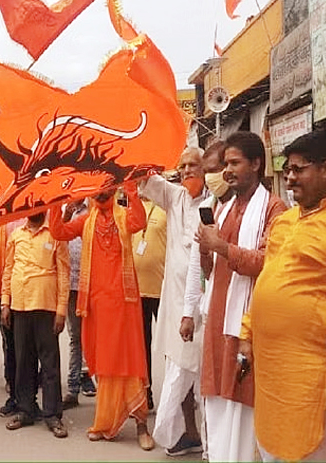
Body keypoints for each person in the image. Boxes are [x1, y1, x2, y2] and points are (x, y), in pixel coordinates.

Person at [238, 130, 326, 462]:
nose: (289, 179)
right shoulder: (285, 221)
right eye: (286, 170)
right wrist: (247, 333)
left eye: (298, 169)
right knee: (272, 445)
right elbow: (267, 277)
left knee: (309, 446)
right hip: (270, 368)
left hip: (311, 368)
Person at [195, 132, 287, 462]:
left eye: (234, 163)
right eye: (225, 165)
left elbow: (268, 262)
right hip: (218, 320)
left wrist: (221, 246)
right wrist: (207, 250)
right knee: (219, 406)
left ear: (256, 164)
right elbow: (211, 271)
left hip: (248, 327)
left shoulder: (275, 209)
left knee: (248, 407)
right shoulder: (223, 208)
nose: (227, 171)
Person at [50, 184, 155, 450]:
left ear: (114, 189)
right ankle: (106, 422)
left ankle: (141, 424)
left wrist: (131, 191)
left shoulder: (123, 214)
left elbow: (139, 220)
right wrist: (60, 206)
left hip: (125, 301)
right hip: (97, 303)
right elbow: (58, 232)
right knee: (106, 362)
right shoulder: (86, 219)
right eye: (96, 189)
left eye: (106, 188)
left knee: (130, 359)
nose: (100, 194)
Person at [140, 147, 208, 456]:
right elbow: (146, 178)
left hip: (203, 306)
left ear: (206, 168)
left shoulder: (216, 204)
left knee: (202, 375)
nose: (186, 170)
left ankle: (207, 441)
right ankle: (187, 434)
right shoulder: (175, 197)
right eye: (182, 166)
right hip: (174, 304)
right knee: (177, 367)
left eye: (193, 164)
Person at [178, 141, 236, 458]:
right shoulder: (211, 210)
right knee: (209, 388)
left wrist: (222, 248)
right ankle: (211, 448)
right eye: (213, 169)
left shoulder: (263, 208)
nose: (218, 175)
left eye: (219, 169)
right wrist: (189, 312)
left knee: (233, 393)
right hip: (210, 311)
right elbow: (195, 269)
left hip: (241, 316)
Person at [1, 211, 70, 438]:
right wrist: (5, 303)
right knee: (23, 361)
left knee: (49, 363)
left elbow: (63, 273)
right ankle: (26, 409)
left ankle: (52, 414)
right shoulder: (16, 235)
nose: (35, 210)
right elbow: (8, 270)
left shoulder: (55, 234)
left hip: (46, 306)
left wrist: (61, 310)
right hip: (20, 306)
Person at [0, 218, 27, 417]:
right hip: (6, 286)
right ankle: (13, 389)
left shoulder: (34, 214)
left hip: (30, 290)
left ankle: (28, 393)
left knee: (27, 347)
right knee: (10, 345)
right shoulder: (1, 215)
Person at [131, 194, 166, 412]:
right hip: (137, 291)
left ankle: (178, 399)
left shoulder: (164, 210)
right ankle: (146, 394)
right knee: (142, 349)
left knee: (166, 346)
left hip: (162, 290)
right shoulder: (131, 212)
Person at [61, 200, 95, 410]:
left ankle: (89, 377)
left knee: (94, 336)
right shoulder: (64, 208)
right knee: (75, 336)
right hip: (70, 283)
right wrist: (66, 214)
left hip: (93, 282)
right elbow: (58, 235)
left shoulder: (93, 207)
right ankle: (72, 388)